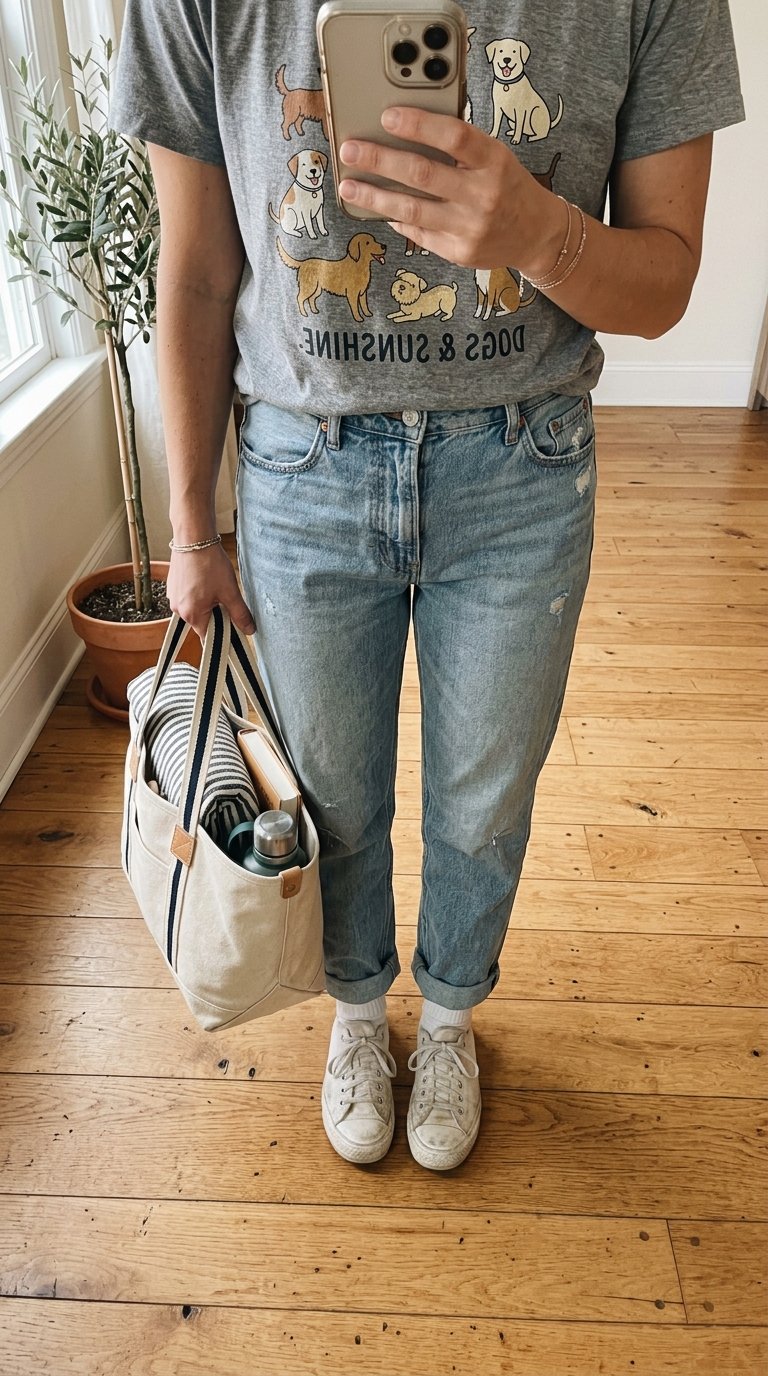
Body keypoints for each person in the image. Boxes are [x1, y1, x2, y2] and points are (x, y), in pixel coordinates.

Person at [110, 0, 744, 1171]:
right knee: (331, 794)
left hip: (523, 464)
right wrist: (192, 529)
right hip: (301, 462)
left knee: (485, 799)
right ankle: (358, 1014)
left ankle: (449, 1018)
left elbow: (663, 283)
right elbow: (194, 269)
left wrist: (537, 231)